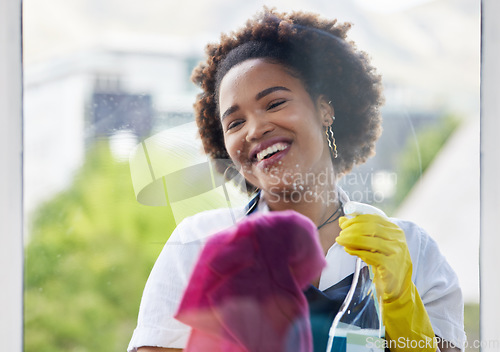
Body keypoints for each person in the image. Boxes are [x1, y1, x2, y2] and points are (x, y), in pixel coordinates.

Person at [128, 8, 466, 352]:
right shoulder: (197, 244)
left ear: (324, 109)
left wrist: (405, 312)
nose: (255, 129)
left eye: (274, 103)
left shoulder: (411, 250)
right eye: (234, 123)